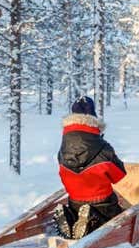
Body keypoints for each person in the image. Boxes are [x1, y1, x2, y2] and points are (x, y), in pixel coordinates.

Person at [54, 96, 127, 239]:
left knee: (78, 207)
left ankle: (71, 218)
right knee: (116, 219)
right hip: (103, 203)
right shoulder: (103, 149)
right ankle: (91, 219)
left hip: (74, 201)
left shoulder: (63, 150)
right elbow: (119, 175)